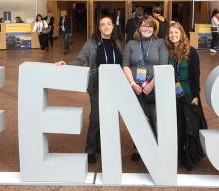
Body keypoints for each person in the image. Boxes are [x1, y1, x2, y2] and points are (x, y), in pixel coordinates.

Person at [55, 16, 122, 164]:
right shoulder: (91, 43)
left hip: (114, 87)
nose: (106, 27)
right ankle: (90, 149)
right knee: (96, 118)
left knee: (109, 117)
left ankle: (100, 145)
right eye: (102, 25)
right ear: (99, 28)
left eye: (109, 24)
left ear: (112, 26)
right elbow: (81, 59)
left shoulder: (116, 42)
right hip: (96, 86)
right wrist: (67, 65)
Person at [122, 15, 169, 161]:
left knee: (155, 117)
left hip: (155, 87)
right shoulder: (131, 43)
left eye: (150, 26)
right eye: (144, 25)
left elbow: (163, 66)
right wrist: (132, 84)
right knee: (139, 119)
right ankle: (138, 148)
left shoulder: (160, 43)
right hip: (135, 88)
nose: (146, 28)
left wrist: (151, 84)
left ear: (154, 28)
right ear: (139, 28)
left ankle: (155, 147)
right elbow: (126, 65)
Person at [166, 22, 207, 171]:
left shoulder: (191, 51)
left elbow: (196, 75)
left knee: (189, 125)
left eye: (176, 32)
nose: (173, 35)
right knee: (177, 126)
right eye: (171, 33)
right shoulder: (168, 51)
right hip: (173, 94)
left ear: (182, 33)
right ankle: (176, 155)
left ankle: (189, 156)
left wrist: (196, 95)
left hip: (188, 93)